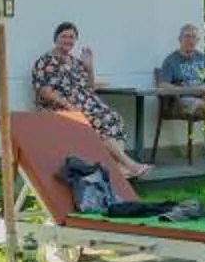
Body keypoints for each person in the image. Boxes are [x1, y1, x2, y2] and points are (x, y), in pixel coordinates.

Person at [31, 21, 150, 178]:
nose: (67, 40)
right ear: (56, 39)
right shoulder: (45, 61)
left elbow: (90, 87)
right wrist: (69, 106)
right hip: (58, 108)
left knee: (114, 118)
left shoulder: (74, 62)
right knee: (99, 121)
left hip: (85, 104)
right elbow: (45, 91)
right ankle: (128, 164)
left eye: (71, 37)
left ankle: (118, 165)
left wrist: (89, 68)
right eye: (64, 36)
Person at [154, 24, 205, 168]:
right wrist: (192, 89)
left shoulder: (202, 58)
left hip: (203, 98)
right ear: (180, 39)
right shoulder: (171, 61)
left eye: (194, 37)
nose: (191, 40)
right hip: (182, 101)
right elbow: (162, 85)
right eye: (187, 36)